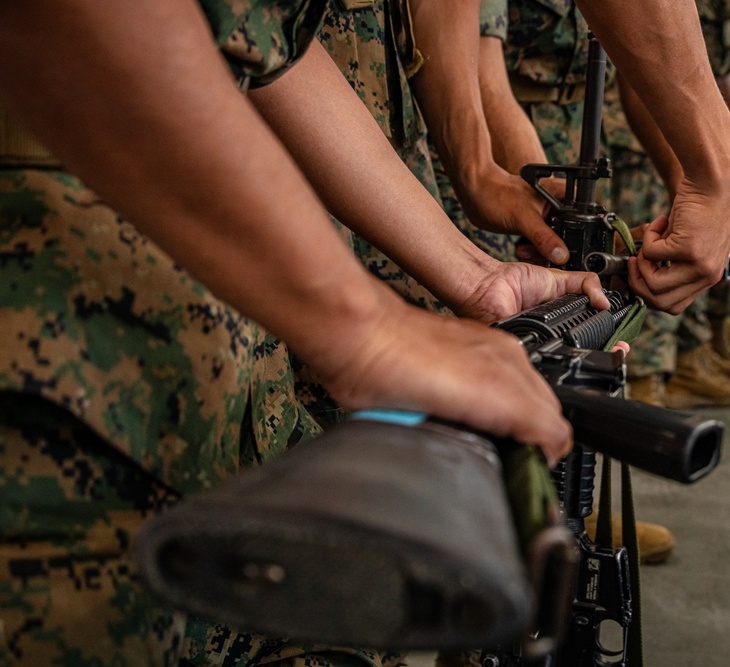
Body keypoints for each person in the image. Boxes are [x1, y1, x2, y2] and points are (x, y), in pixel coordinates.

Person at [0, 1, 612, 664]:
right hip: (62, 355)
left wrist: (476, 278)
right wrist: (365, 330)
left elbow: (267, 46)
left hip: (219, 334)